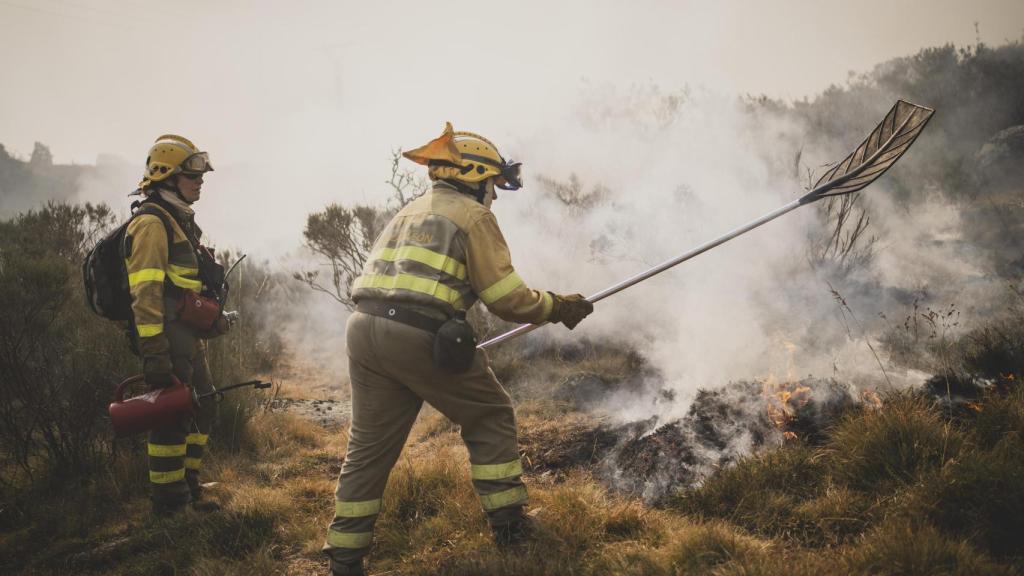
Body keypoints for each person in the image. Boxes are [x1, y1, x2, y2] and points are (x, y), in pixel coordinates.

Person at [323, 123, 594, 575]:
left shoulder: (408, 211)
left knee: (368, 446)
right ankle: (509, 526)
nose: (495, 194)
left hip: (363, 330)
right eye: (492, 182)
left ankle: (344, 558)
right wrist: (557, 307)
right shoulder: (473, 216)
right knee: (489, 414)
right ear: (473, 175)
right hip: (416, 333)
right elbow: (506, 297)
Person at [124, 134, 228, 516]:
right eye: (191, 175)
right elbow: (146, 293)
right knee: (170, 420)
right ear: (167, 178)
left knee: (205, 407)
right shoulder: (152, 224)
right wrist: (155, 353)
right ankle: (170, 508)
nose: (200, 181)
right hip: (166, 338)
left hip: (187, 334)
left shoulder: (177, 218)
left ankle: (188, 487)